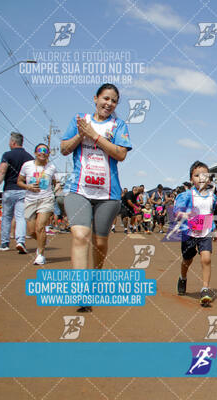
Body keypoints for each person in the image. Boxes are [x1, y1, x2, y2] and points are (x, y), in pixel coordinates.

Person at [60, 83, 132, 313]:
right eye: (105, 98)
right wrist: (81, 135)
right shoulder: (79, 120)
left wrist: (94, 137)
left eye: (114, 101)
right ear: (95, 98)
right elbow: (63, 148)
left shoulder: (118, 125)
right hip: (78, 189)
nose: (109, 104)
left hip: (108, 194)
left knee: (100, 241)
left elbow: (120, 154)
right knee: (80, 235)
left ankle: (96, 276)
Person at [175, 161, 217, 306]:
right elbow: (176, 211)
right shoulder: (186, 195)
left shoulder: (213, 196)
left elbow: (210, 213)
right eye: (197, 175)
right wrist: (184, 215)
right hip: (189, 233)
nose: (201, 178)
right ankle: (183, 277)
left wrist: (214, 229)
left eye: (204, 175)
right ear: (191, 178)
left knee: (206, 259)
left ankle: (205, 289)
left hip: (205, 232)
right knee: (187, 260)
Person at [16, 144, 57, 264]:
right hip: (30, 200)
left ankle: (40, 255)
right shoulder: (27, 166)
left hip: (46, 199)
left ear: (48, 154)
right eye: (40, 150)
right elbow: (19, 181)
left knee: (40, 226)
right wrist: (28, 186)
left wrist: (53, 191)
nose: (43, 153)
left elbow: (54, 182)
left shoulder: (52, 167)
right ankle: (42, 240)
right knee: (31, 231)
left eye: (45, 151)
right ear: (35, 153)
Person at [0, 132, 34, 253]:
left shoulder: (7, 155)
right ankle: (20, 241)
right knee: (20, 217)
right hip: (23, 190)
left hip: (9, 189)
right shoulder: (29, 157)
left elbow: (1, 171)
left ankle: (5, 243)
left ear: (13, 142)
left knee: (7, 217)